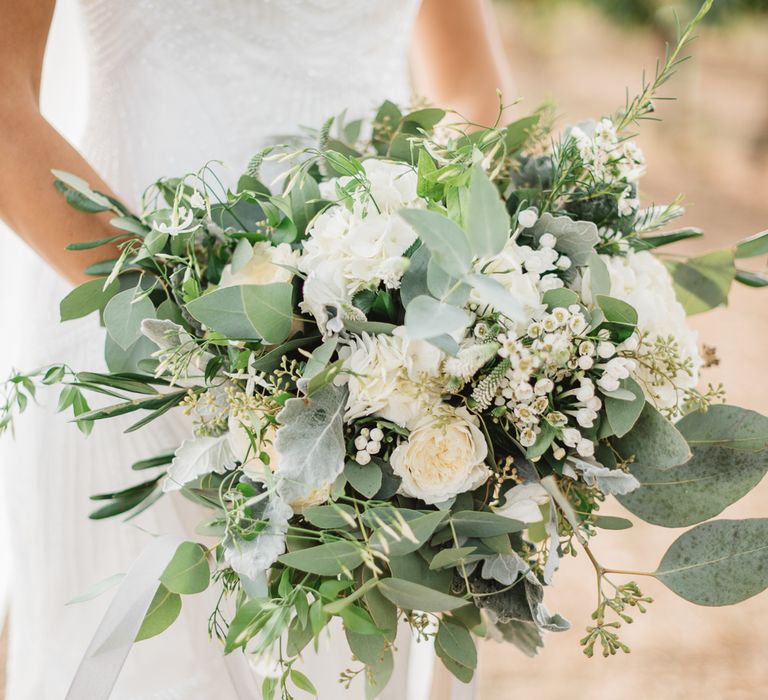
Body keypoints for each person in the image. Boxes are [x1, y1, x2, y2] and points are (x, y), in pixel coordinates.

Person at [0, 1, 512, 697]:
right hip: (136, 342)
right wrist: (195, 334)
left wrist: (432, 276)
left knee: (346, 671)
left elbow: (468, 87)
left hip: (383, 357)